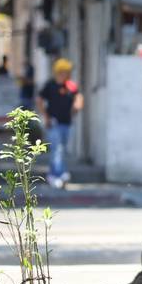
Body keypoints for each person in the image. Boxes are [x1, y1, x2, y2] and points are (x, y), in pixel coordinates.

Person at [36, 58, 83, 189]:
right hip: (54, 123)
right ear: (57, 72)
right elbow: (39, 99)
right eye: (62, 72)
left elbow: (78, 96)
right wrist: (46, 116)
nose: (64, 74)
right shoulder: (50, 85)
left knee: (60, 150)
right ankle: (60, 175)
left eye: (66, 72)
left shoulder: (70, 85)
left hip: (67, 123)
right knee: (58, 149)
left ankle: (52, 174)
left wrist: (77, 105)